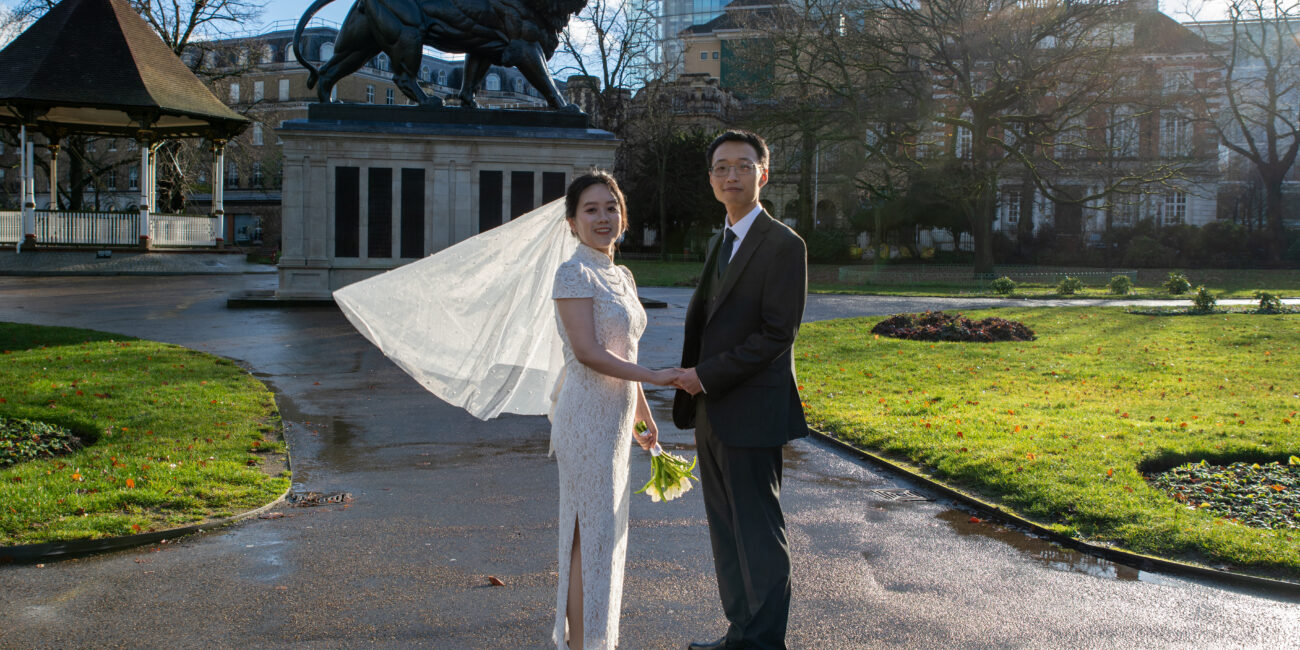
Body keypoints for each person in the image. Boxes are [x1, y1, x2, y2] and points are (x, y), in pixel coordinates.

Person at [671, 130, 809, 650]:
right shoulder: (721, 239)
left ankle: (766, 641)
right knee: (726, 531)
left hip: (751, 410)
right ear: (711, 179)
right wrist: (699, 387)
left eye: (743, 166)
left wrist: (705, 375)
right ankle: (741, 633)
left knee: (757, 532)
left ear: (763, 174)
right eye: (722, 168)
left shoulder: (783, 245)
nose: (732, 175)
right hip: (710, 409)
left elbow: (777, 333)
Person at [550, 171, 682, 649]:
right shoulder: (573, 273)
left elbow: (623, 352)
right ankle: (583, 645)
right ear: (571, 221)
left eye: (611, 207)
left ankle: (597, 642)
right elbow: (587, 352)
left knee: (606, 540)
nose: (603, 217)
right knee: (590, 539)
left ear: (622, 216)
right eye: (591, 209)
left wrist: (643, 415)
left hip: (617, 418)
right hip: (585, 419)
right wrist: (657, 377)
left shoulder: (620, 274)